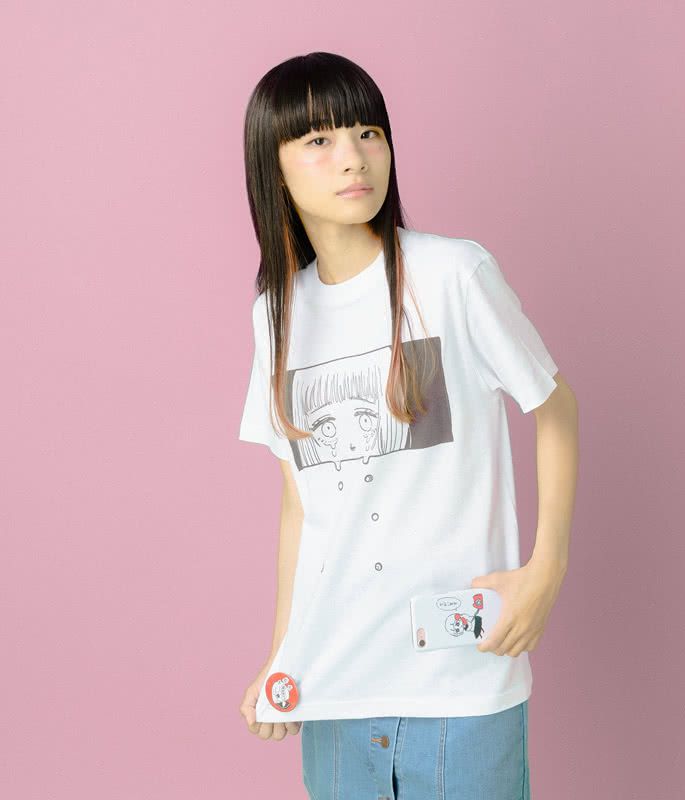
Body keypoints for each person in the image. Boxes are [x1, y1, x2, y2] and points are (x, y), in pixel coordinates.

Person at [236, 51, 579, 800]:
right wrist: (283, 654)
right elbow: (301, 505)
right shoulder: (276, 315)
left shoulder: (453, 273)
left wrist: (546, 569)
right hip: (334, 683)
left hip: (461, 682)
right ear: (274, 167)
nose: (353, 157)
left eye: (368, 132)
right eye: (319, 140)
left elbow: (555, 409)